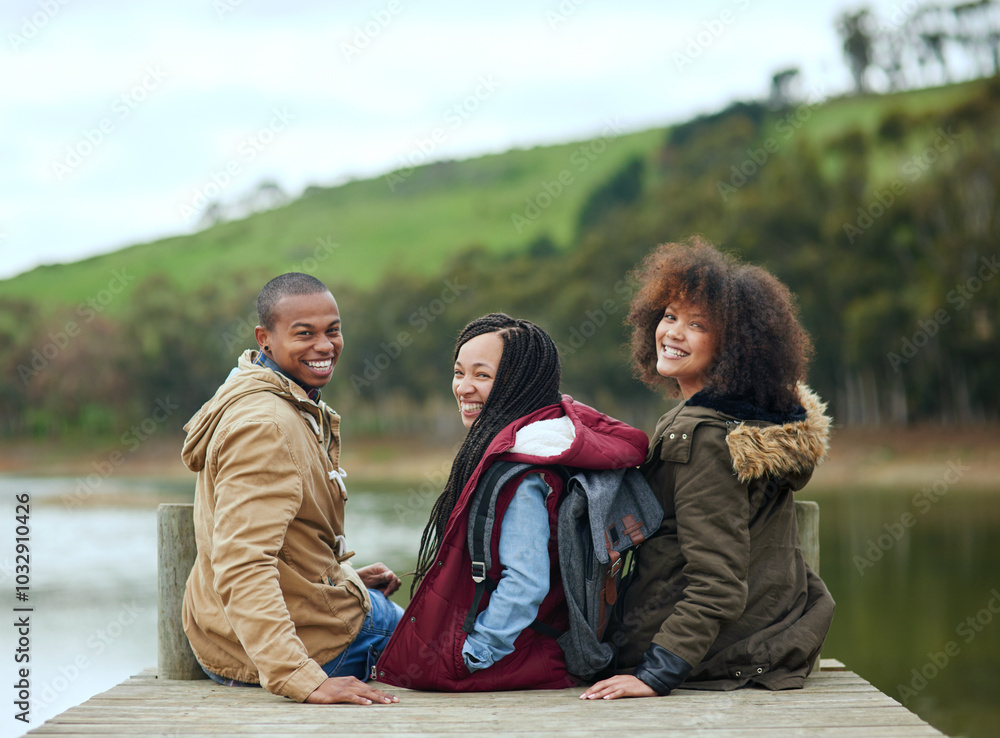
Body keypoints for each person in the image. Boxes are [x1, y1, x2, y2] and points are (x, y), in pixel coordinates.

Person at [582, 238, 835, 700]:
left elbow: (717, 582)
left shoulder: (704, 438)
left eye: (697, 325)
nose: (673, 332)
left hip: (711, 658)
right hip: (755, 640)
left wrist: (655, 675)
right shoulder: (751, 424)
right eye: (670, 316)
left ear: (734, 348)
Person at [374, 313, 648, 691]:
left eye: (482, 376)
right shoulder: (540, 447)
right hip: (537, 652)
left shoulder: (523, 472)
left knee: (362, 627)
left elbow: (526, 584)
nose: (464, 387)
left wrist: (474, 652)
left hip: (513, 658)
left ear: (518, 384)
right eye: (459, 372)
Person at [181, 272, 403, 705]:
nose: (324, 346)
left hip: (226, 637)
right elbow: (243, 563)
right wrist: (300, 678)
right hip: (305, 650)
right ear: (265, 339)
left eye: (333, 331)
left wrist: (348, 580)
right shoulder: (267, 426)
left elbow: (277, 543)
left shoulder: (272, 396)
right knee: (463, 650)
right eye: (305, 334)